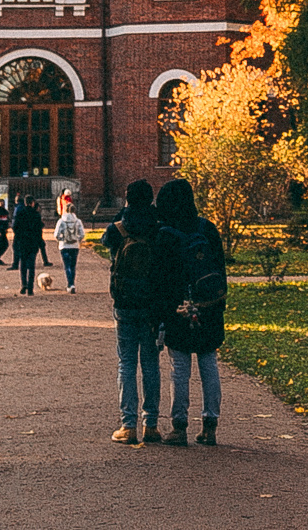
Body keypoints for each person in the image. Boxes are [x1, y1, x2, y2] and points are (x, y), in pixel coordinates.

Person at [101, 179, 181, 445]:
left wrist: (122, 212)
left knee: (126, 363)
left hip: (124, 303)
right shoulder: (159, 229)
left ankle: (128, 425)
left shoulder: (119, 228)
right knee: (150, 364)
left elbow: (105, 242)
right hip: (151, 305)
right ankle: (151, 424)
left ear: (127, 198)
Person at [156, 178, 228, 448]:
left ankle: (179, 425)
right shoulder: (207, 228)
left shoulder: (166, 233)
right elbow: (220, 269)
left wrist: (162, 313)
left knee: (180, 369)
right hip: (208, 306)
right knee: (209, 365)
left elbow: (161, 279)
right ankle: (210, 424)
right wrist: (218, 302)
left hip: (178, 309)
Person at [11, 196, 48, 294]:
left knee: (22, 264)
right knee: (31, 265)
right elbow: (39, 229)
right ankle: (30, 288)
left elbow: (15, 227)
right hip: (33, 242)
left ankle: (24, 284)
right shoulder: (36, 214)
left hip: (22, 241)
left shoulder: (20, 213)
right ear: (32, 203)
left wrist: (19, 236)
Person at [53, 193, 85, 293]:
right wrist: (77, 239)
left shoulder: (61, 221)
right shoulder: (78, 221)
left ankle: (70, 284)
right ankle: (72, 283)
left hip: (64, 246)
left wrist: (61, 240)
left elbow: (56, 234)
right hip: (75, 245)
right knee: (73, 265)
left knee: (67, 266)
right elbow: (82, 234)